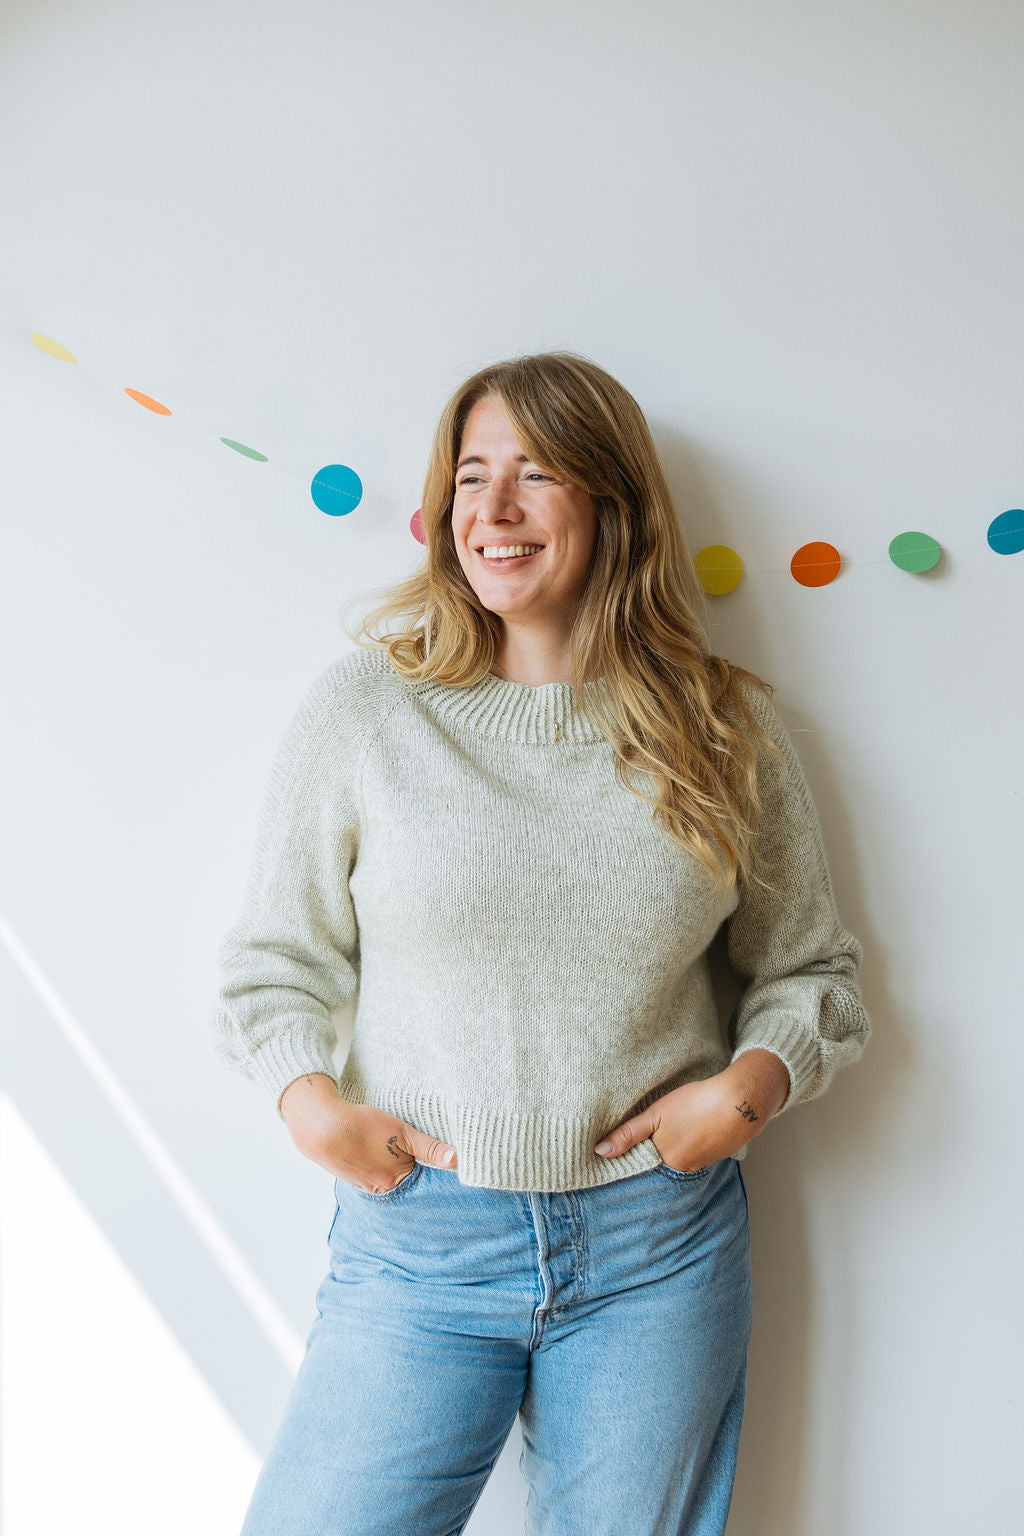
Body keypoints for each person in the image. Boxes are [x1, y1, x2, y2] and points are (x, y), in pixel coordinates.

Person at [211, 351, 871, 1536]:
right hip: (419, 1244)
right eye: (470, 477)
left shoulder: (727, 729)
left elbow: (809, 971)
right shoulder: (366, 713)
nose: (493, 512)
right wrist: (309, 1106)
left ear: (611, 504)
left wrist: (751, 1090)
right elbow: (272, 961)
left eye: (536, 475)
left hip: (655, 1250)